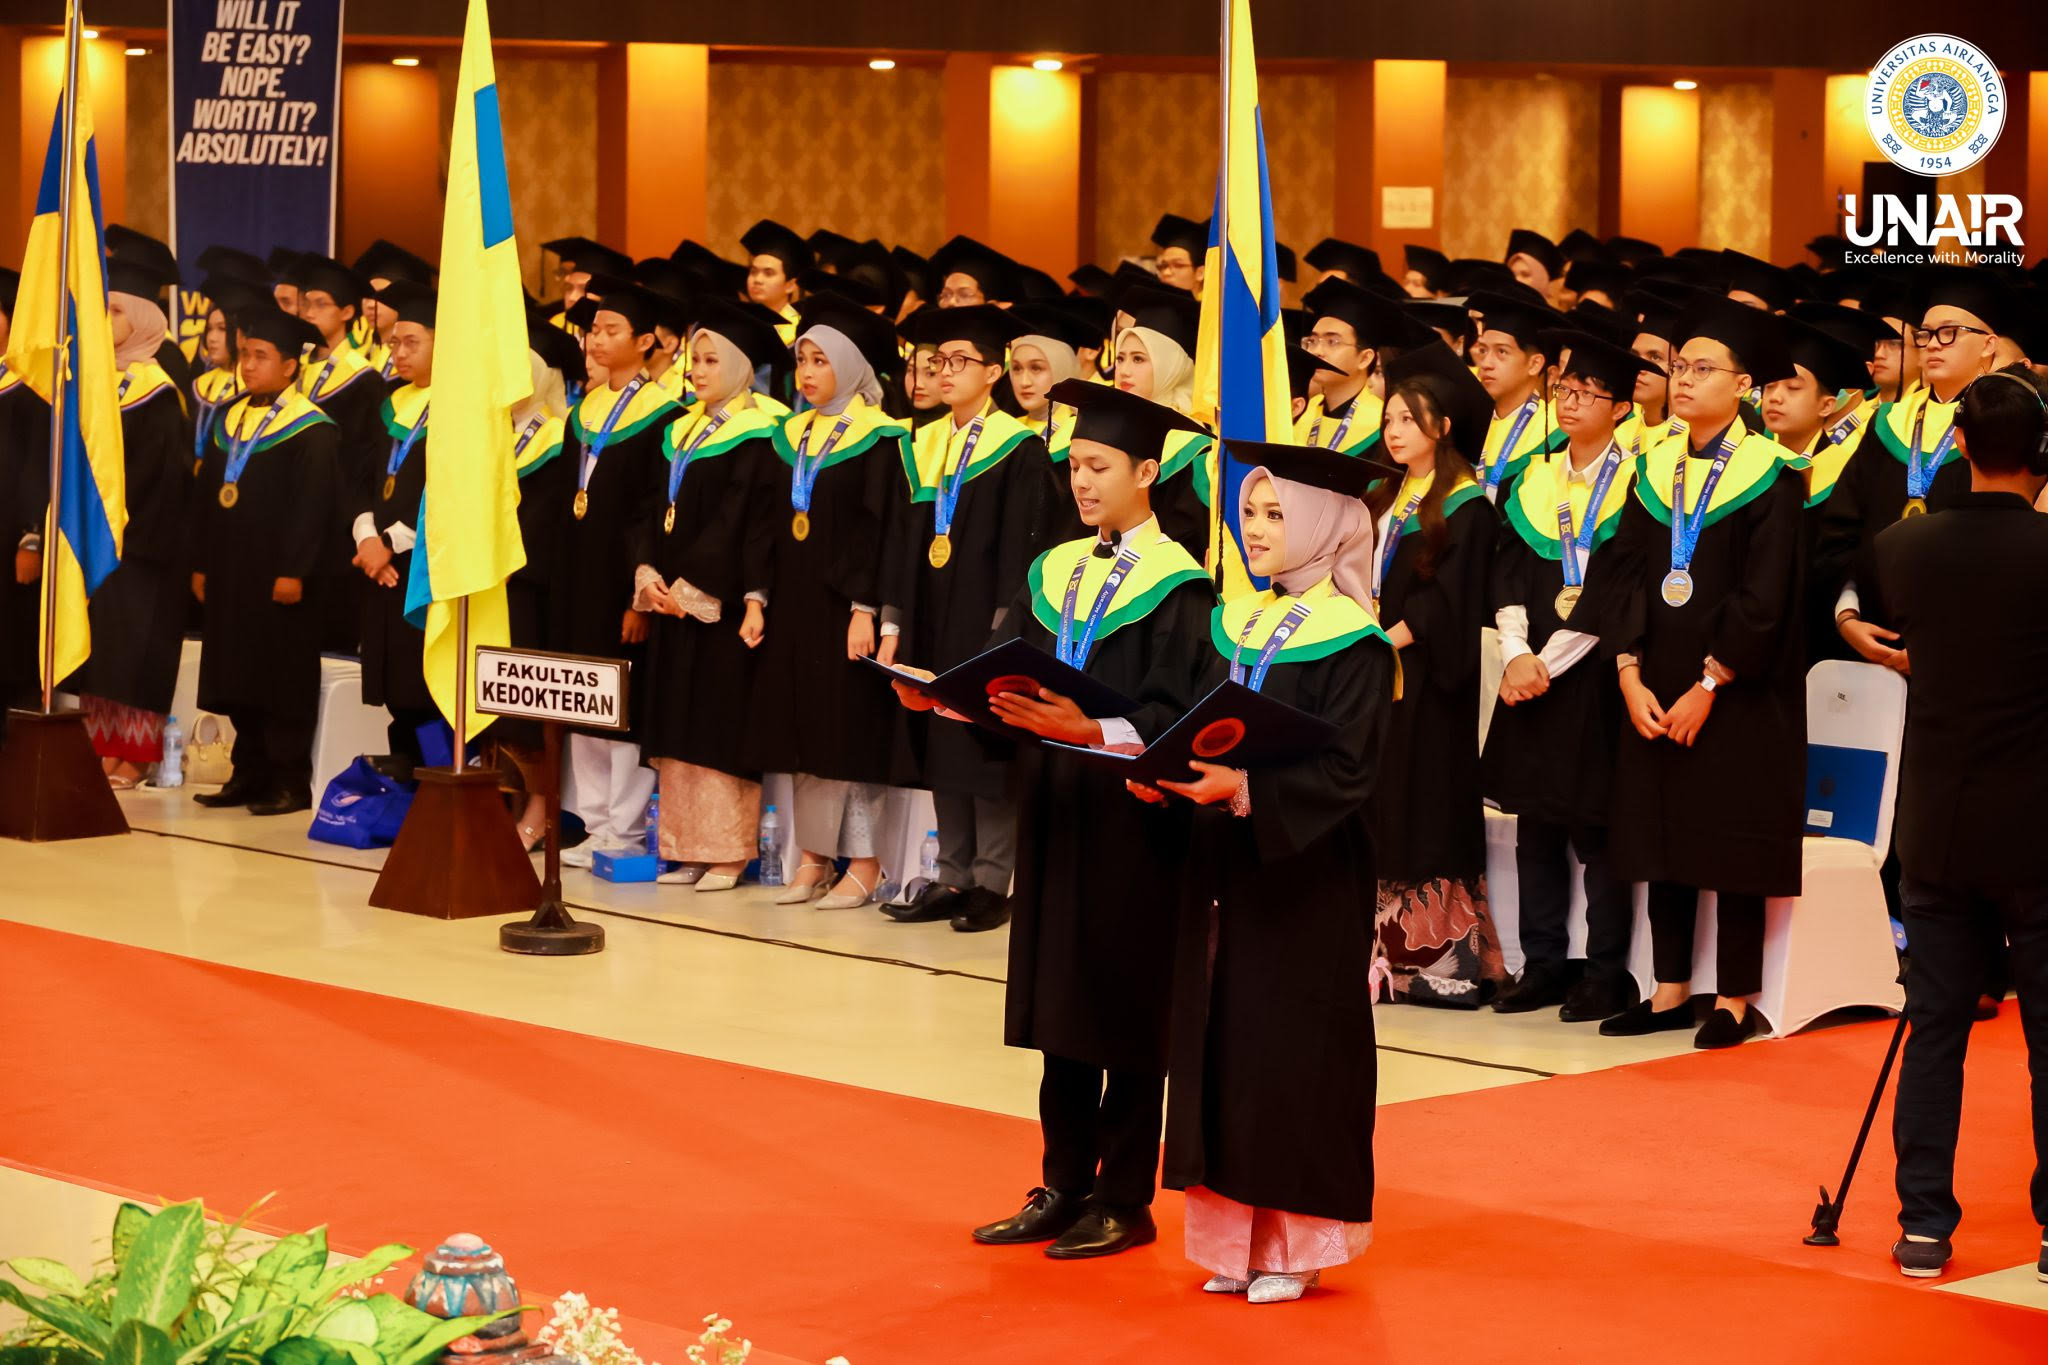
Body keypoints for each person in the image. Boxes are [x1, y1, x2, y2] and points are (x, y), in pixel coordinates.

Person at [914, 380, 1211, 1259]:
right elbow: (1015, 675)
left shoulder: (1181, 587)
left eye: (1099, 466)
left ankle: (1124, 1197)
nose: (1081, 481)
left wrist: (1098, 730)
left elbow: (1183, 714)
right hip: (1056, 811)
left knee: (1127, 1009)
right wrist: (963, 700)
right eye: (1075, 465)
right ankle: (1064, 1183)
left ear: (1146, 472)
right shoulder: (1057, 571)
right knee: (1063, 1010)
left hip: (1134, 822)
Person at [1146, 438, 1395, 1304]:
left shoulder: (1357, 644)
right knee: (1225, 1039)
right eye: (1249, 512)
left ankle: (1293, 1244)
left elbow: (1351, 771)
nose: (1254, 529)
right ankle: (1232, 1239)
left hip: (1308, 874)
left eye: (1276, 513)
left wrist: (1246, 788)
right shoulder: (1238, 621)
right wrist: (1162, 771)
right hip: (1226, 865)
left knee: (1291, 1046)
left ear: (1325, 525)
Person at [1594, 298, 1808, 1048]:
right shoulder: (1654, 467)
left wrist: (1710, 684)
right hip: (1655, 682)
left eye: (1702, 369)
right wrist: (1628, 671)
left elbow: (1766, 595)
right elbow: (1622, 573)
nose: (1682, 379)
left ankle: (1736, 998)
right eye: (1679, 366)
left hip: (1738, 690)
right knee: (1663, 832)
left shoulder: (1773, 475)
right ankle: (1670, 989)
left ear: (1744, 385)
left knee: (1731, 835)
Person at [1876, 366, 2048, 1282]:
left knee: (1935, 1026)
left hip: (1937, 825)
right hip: (2037, 825)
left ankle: (1924, 1223)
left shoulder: (1906, 548)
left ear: (1960, 447)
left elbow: (1867, 610)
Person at [1484, 332, 1653, 1020]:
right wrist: (1514, 652)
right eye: (1567, 389)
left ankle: (1606, 972)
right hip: (1527, 672)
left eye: (1589, 392)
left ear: (1620, 408)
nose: (1573, 401)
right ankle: (1543, 964)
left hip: (1592, 678)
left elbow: (1619, 590)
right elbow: (1506, 571)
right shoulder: (1532, 478)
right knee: (1535, 828)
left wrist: (1541, 664)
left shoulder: (1640, 483)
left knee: (1595, 829)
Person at [877, 305, 1049, 927]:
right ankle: (951, 875)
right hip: (929, 618)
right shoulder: (925, 445)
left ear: (993, 372)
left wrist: (1004, 633)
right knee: (940, 740)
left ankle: (991, 881)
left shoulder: (1019, 449)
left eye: (959, 361)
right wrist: (893, 623)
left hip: (986, 621)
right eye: (937, 362)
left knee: (983, 743)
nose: (943, 372)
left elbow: (1021, 549)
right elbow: (903, 542)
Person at [745, 296, 911, 908]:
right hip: (792, 605)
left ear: (851, 364)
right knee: (801, 730)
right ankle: (812, 858)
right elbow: (765, 523)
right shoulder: (788, 436)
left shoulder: (882, 438)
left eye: (821, 360)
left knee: (848, 731)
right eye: (802, 360)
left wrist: (865, 607)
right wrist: (756, 598)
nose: (808, 373)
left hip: (845, 610)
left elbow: (879, 531)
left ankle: (864, 862)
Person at [1368, 344, 1504, 1006]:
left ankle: (1442, 963)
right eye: (1389, 418)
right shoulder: (1383, 495)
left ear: (1442, 426)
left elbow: (1452, 598)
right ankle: (1379, 957)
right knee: (1381, 804)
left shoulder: (1467, 506)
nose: (1394, 430)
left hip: (1427, 678)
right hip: (1378, 672)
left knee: (1424, 804)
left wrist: (1387, 635)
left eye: (1408, 418)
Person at [638, 299, 786, 892]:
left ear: (742, 366)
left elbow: (742, 521)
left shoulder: (760, 434)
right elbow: (651, 508)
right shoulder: (679, 430)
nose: (697, 371)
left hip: (718, 606)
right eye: (694, 360)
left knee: (718, 723)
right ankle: (687, 850)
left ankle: (727, 853)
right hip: (670, 601)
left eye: (711, 360)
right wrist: (647, 573)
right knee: (677, 721)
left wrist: (692, 586)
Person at [189, 306, 340, 816]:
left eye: (261, 356)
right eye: (245, 355)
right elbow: (207, 497)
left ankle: (289, 781)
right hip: (231, 572)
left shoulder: (311, 429)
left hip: (280, 577)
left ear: (290, 366)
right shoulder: (229, 417)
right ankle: (246, 773)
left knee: (280, 677)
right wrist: (202, 563)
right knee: (237, 674)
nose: (248, 365)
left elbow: (313, 508)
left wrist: (294, 570)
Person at [551, 283, 683, 865]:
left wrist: (638, 598)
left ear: (646, 340)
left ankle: (625, 829)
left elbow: (653, 514)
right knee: (582, 697)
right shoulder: (582, 412)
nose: (596, 340)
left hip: (622, 582)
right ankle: (593, 822)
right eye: (593, 330)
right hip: (578, 576)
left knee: (622, 704)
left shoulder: (665, 417)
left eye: (611, 330)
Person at [75, 258, 193, 787]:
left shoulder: (157, 391)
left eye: (117, 310)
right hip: (102, 539)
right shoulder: (100, 381)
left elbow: (160, 477)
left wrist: (122, 529)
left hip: (145, 545)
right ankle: (103, 748)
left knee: (139, 650)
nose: (106, 319)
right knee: (106, 651)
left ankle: (136, 754)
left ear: (145, 318)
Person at [350, 281, 439, 774]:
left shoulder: (462, 410)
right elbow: (362, 478)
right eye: (394, 343)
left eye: (412, 343)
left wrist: (391, 543)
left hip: (425, 567)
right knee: (394, 690)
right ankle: (404, 784)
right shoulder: (389, 400)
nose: (399, 354)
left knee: (422, 686)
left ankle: (434, 783)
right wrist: (367, 538)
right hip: (381, 567)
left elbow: (451, 493)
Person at [500, 321, 580, 850]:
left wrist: (509, 558)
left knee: (531, 703)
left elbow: (549, 519)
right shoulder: (495, 434)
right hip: (493, 583)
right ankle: (501, 800)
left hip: (532, 586)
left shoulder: (557, 436)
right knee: (496, 698)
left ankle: (541, 806)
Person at [1109, 286, 1212, 556]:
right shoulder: (1109, 430)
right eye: (1120, 358)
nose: (1124, 370)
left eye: (1139, 359)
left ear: (1172, 366)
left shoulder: (1193, 447)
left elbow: (1189, 539)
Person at [0, 267, 50, 712]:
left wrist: (31, 539)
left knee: (12, 656)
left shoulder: (30, 386)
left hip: (12, 544)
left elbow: (39, 466)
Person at [1466, 290, 1566, 503]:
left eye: (1501, 352)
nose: (1486, 363)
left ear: (1534, 364)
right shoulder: (1468, 423)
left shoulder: (1556, 434)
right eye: (1483, 351)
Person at [740, 219, 811, 342]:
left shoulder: (800, 331)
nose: (757, 280)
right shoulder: (742, 323)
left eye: (768, 273)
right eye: (753, 272)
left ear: (790, 285)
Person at [1150, 215, 1209, 294]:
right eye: (1163, 266)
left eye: (1178, 265)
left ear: (1200, 273)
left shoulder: (1214, 302)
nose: (1166, 273)